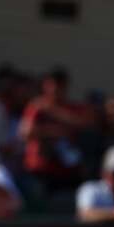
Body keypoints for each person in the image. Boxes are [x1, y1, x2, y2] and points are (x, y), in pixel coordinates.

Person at [19, 67, 93, 198]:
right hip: (40, 170)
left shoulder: (72, 107)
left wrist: (53, 111)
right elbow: (26, 132)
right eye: (51, 84)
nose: (55, 89)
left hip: (66, 171)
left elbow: (84, 124)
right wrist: (54, 132)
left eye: (60, 85)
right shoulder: (37, 106)